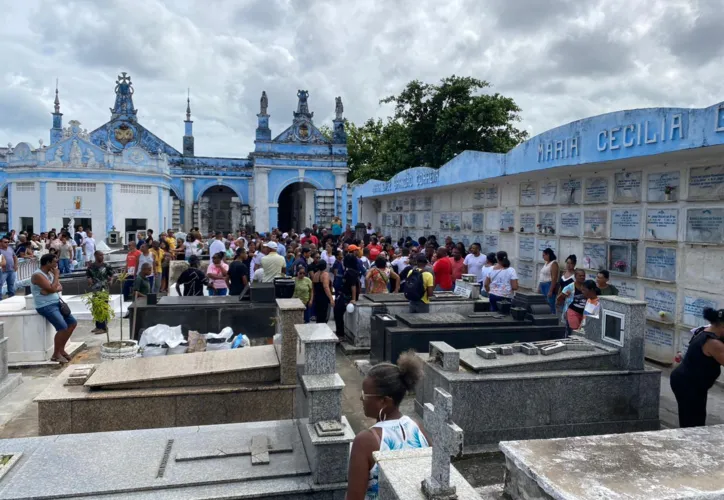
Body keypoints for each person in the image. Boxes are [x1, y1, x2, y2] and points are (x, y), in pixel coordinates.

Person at [346, 352, 430, 499]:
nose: (360, 398)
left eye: (365, 395)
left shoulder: (365, 441)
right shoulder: (417, 428)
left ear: (385, 401)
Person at [670, 307, 724, 428]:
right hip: (688, 384)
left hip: (690, 382)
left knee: (694, 420)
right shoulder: (713, 343)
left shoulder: (704, 330)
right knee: (693, 424)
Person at [31, 253, 77, 363]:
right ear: (48, 263)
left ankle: (61, 349)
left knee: (72, 323)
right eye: (55, 262)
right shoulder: (38, 275)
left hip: (57, 303)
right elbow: (53, 288)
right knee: (62, 327)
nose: (57, 264)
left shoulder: (49, 274)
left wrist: (49, 289)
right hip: (45, 305)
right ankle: (56, 354)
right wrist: (56, 277)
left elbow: (59, 287)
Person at [86, 250, 115, 334]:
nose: (102, 257)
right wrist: (89, 280)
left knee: (103, 307)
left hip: (104, 289)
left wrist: (111, 280)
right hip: (95, 289)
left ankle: (104, 327)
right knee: (96, 307)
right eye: (100, 255)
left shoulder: (107, 266)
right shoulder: (91, 266)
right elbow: (88, 275)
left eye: (102, 255)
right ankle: (98, 326)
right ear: (95, 256)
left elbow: (112, 274)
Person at [333, 253, 360, 338]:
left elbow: (353, 286)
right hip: (344, 294)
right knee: (337, 312)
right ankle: (339, 332)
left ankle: (340, 334)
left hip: (347, 296)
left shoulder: (350, 272)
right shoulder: (352, 271)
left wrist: (353, 299)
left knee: (337, 313)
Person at [557, 268, 587, 336]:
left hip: (584, 313)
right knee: (572, 332)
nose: (582, 277)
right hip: (571, 313)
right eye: (580, 276)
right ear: (575, 276)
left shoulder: (586, 286)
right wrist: (564, 296)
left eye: (583, 275)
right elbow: (558, 300)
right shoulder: (569, 287)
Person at [538, 248, 559, 314]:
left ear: (548, 255)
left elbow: (554, 277)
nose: (543, 257)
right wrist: (539, 287)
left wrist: (550, 290)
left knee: (550, 303)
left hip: (548, 285)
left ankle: (552, 316)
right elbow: (541, 276)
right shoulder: (546, 263)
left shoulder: (553, 263)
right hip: (542, 284)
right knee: (543, 303)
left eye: (544, 255)